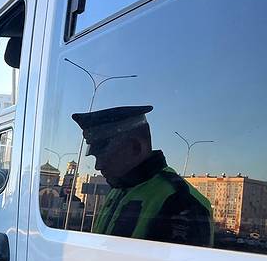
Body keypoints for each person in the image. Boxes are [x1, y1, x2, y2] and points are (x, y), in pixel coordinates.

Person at [71, 105, 214, 246]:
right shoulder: (119, 188)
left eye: (104, 156)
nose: (98, 166)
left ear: (135, 147)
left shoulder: (181, 202)